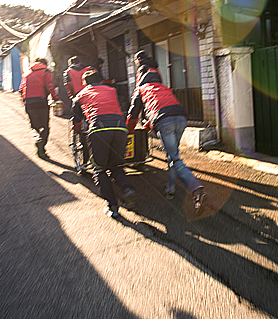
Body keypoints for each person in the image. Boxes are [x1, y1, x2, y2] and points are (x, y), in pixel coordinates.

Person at [126, 51, 206, 211]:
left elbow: (133, 114)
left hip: (165, 121)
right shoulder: (163, 87)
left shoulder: (141, 89)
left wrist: (128, 132)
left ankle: (196, 189)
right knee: (173, 156)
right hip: (181, 117)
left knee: (175, 159)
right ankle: (170, 189)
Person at [72, 70, 137, 218]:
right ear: (100, 80)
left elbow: (76, 119)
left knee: (99, 169)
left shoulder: (81, 95)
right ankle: (128, 190)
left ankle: (112, 206)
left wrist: (77, 129)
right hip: (120, 127)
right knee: (116, 165)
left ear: (85, 83)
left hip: (99, 129)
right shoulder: (111, 90)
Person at [19, 58, 61, 159]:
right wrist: (56, 98)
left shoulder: (27, 74)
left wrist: (24, 100)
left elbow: (21, 89)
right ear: (45, 64)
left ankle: (38, 140)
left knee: (35, 125)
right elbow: (49, 86)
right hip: (41, 102)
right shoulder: (46, 72)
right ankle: (41, 145)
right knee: (45, 127)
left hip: (29, 103)